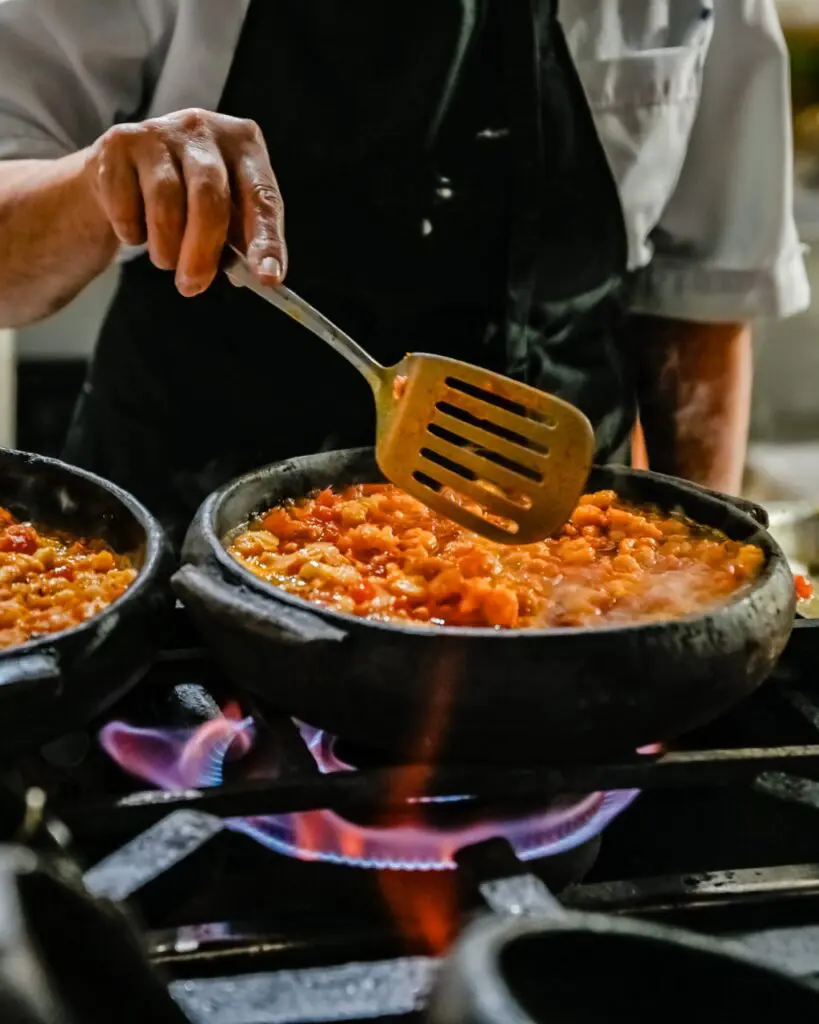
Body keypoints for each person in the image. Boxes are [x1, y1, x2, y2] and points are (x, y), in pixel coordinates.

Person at [0, 0, 809, 543]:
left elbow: (700, 303)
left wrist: (694, 573)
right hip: (189, 553)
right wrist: (94, 184)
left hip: (566, 564)